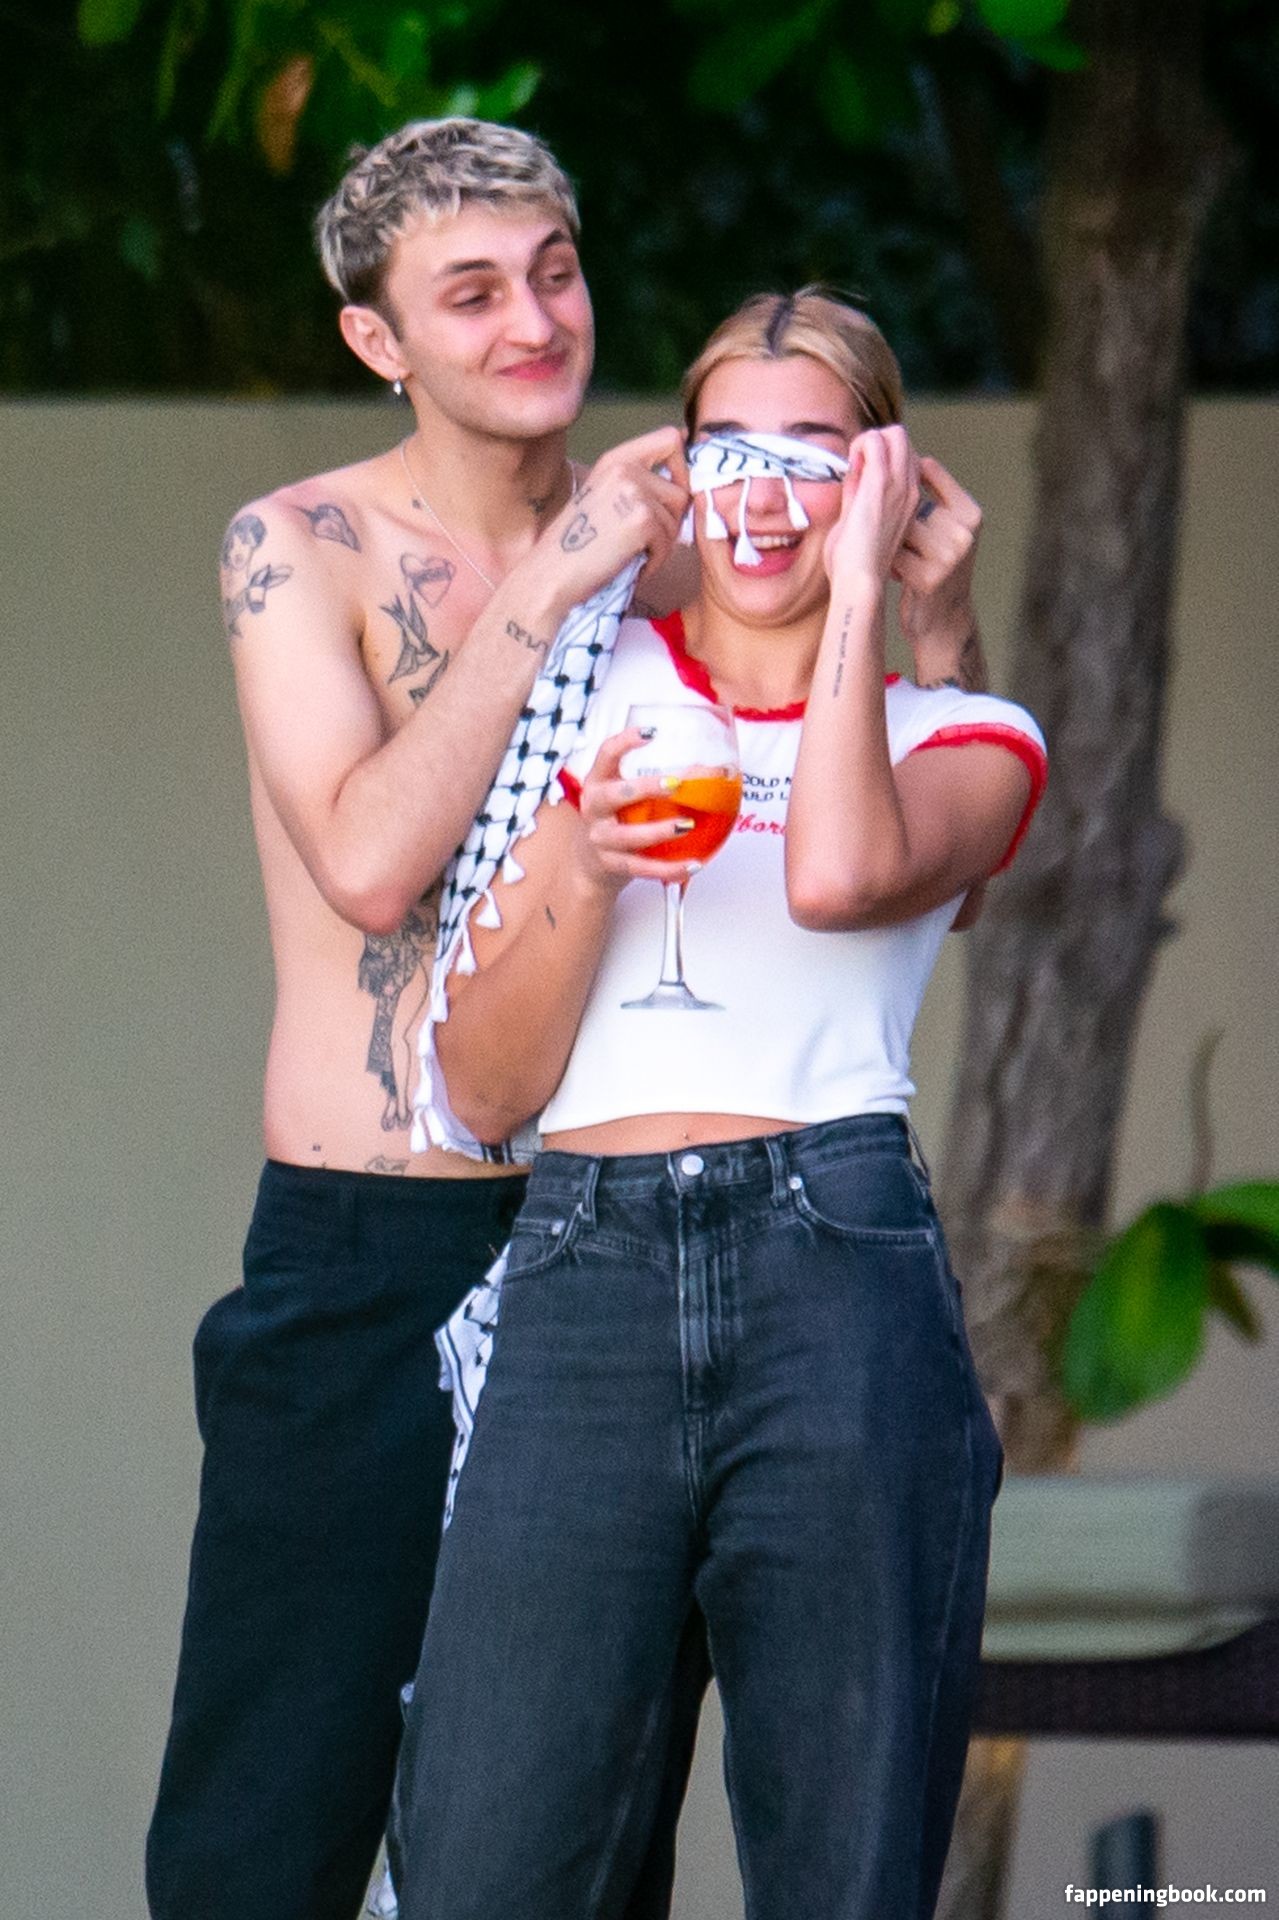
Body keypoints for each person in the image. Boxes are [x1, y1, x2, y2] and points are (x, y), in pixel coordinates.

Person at [147, 110, 990, 1920]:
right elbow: (374, 863)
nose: (534, 321)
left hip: (622, 1246)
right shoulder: (303, 547)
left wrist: (939, 621)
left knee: (573, 1858)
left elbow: (906, 842)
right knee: (267, 1838)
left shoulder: (693, 550)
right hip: (376, 1247)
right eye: (470, 293)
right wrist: (559, 570)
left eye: (555, 271)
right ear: (377, 338)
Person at [388, 290, 1047, 1920]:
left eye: (814, 456)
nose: (763, 493)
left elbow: (837, 877)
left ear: (884, 477)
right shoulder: (590, 694)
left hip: (837, 1271)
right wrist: (586, 859)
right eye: (729, 450)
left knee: (842, 1869)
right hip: (584, 1272)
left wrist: (868, 596)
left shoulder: (966, 732)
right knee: (486, 1864)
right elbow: (481, 1088)